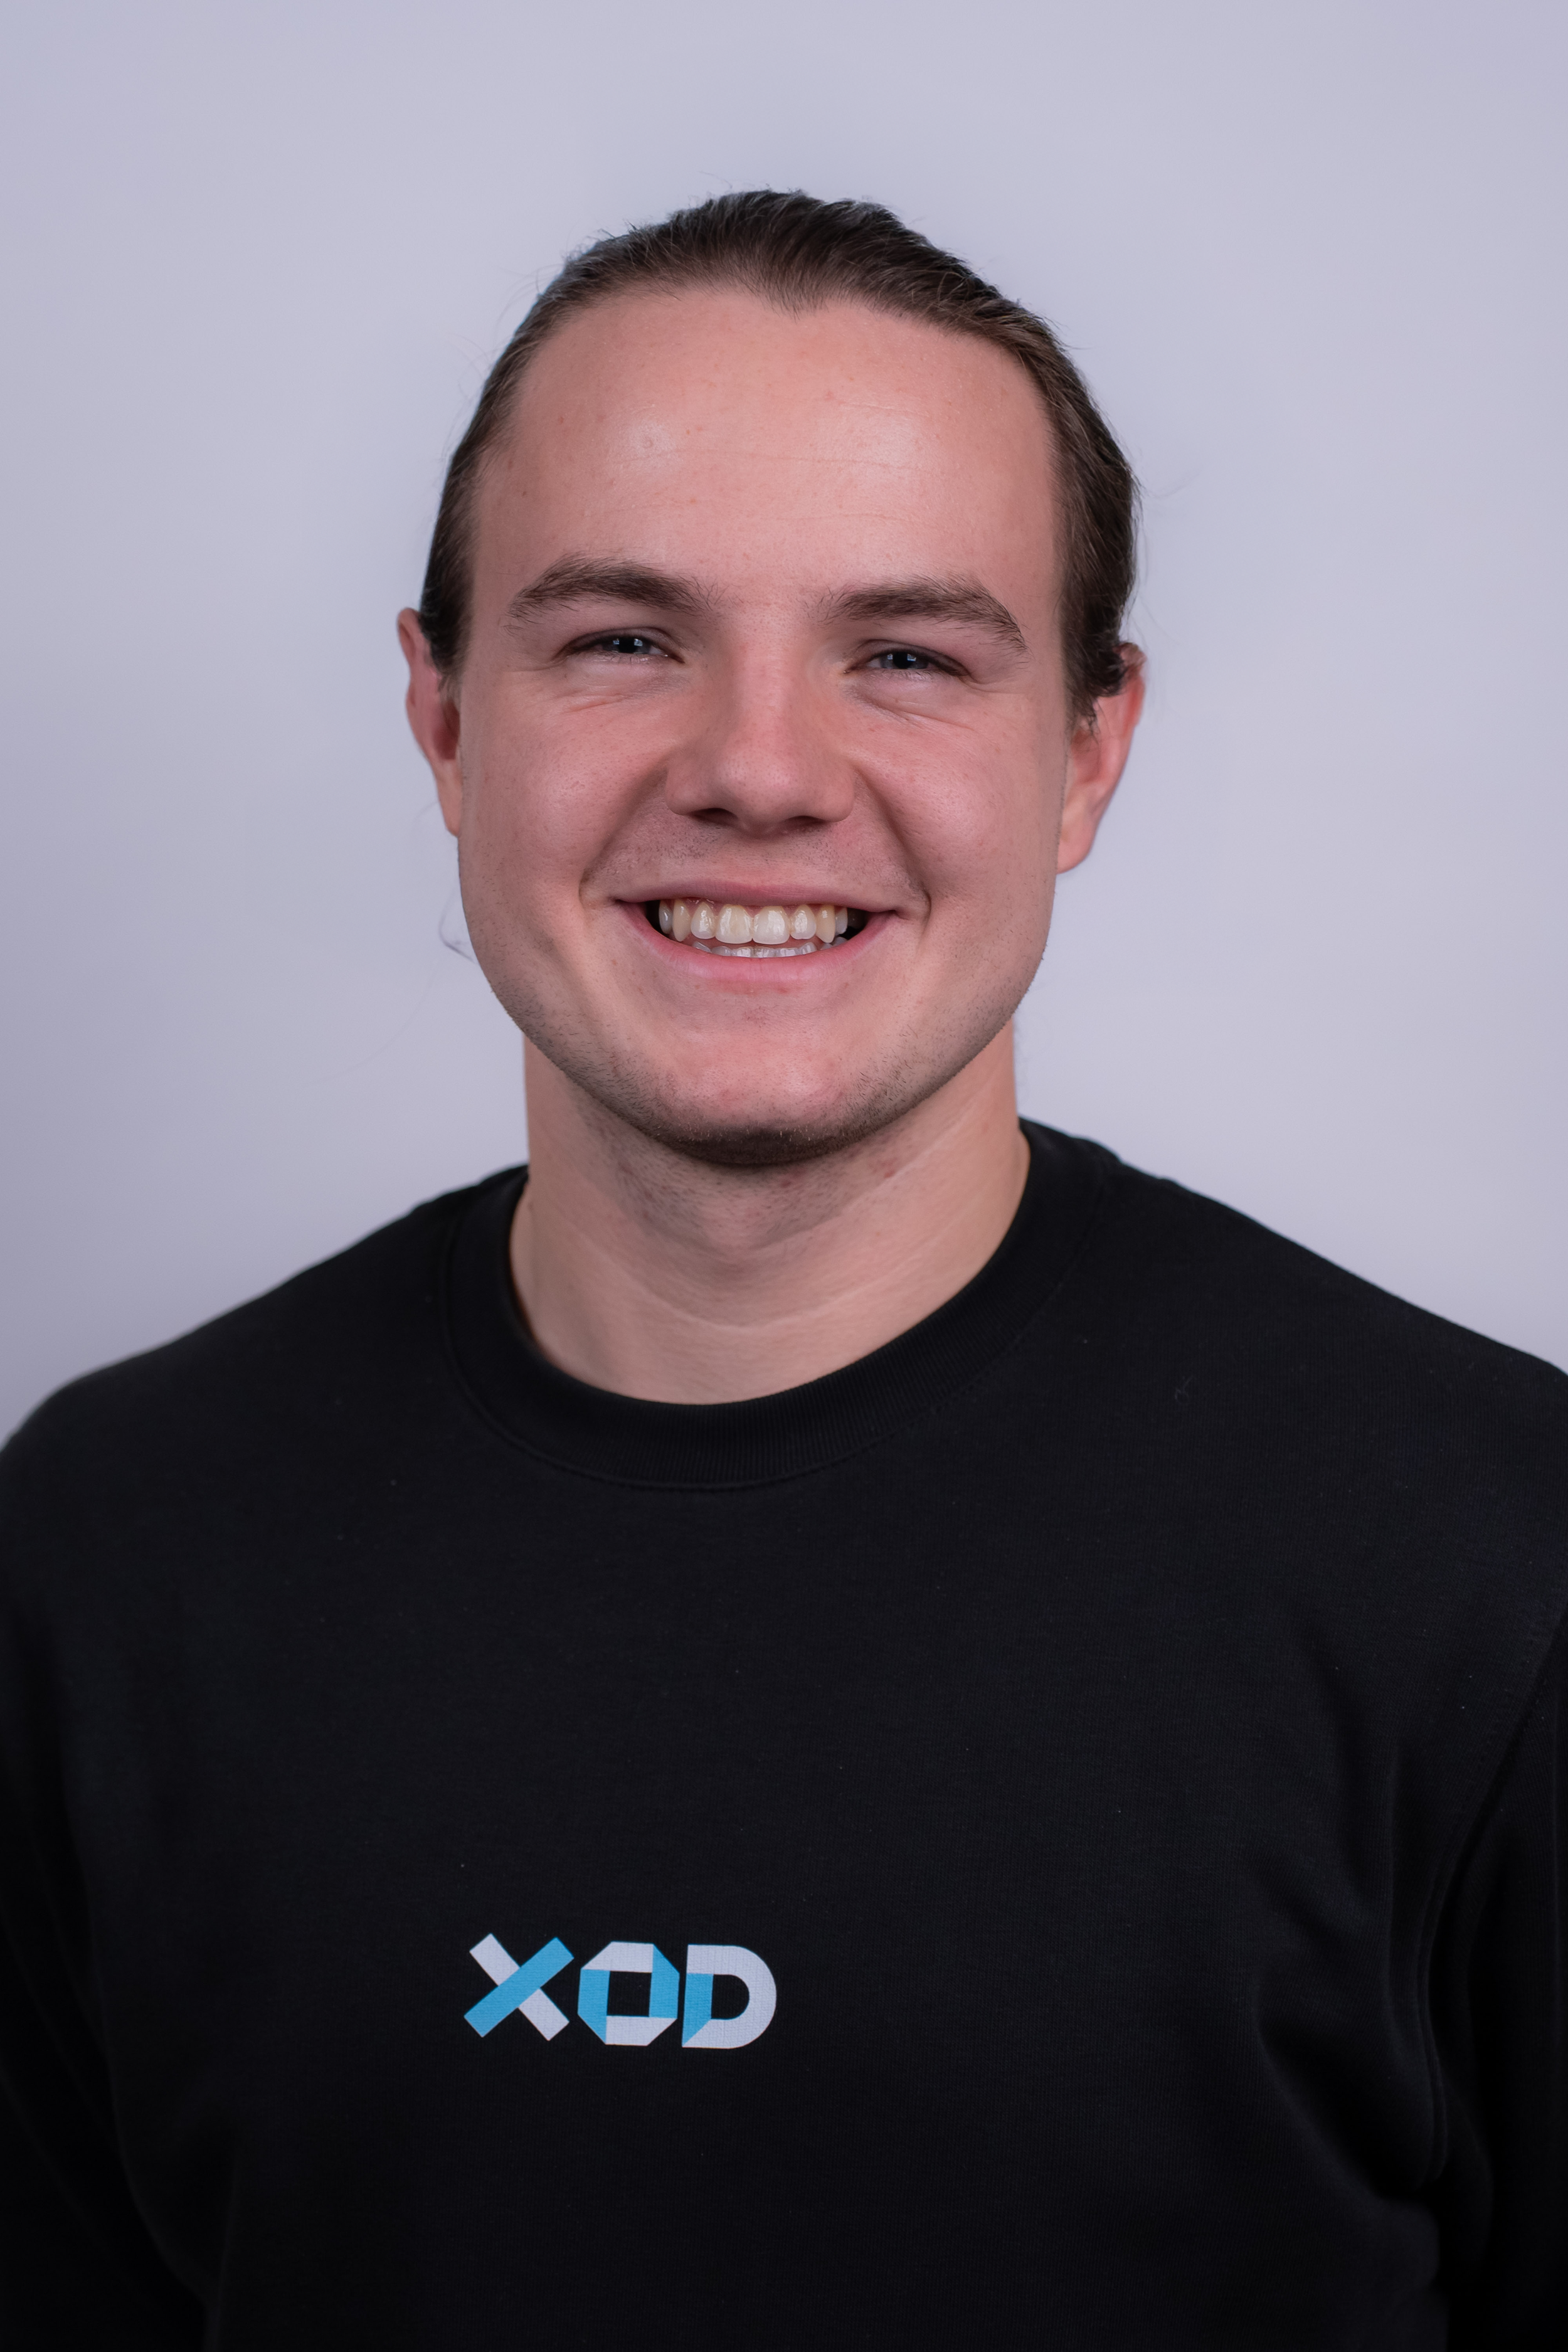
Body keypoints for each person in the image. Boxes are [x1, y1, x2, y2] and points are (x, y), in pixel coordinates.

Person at [1, 190, 1564, 2350]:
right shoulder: (103, 1550)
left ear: (1086, 749)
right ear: (442, 715)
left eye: (906, 653)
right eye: (621, 639)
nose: (754, 769)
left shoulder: (1493, 1568)